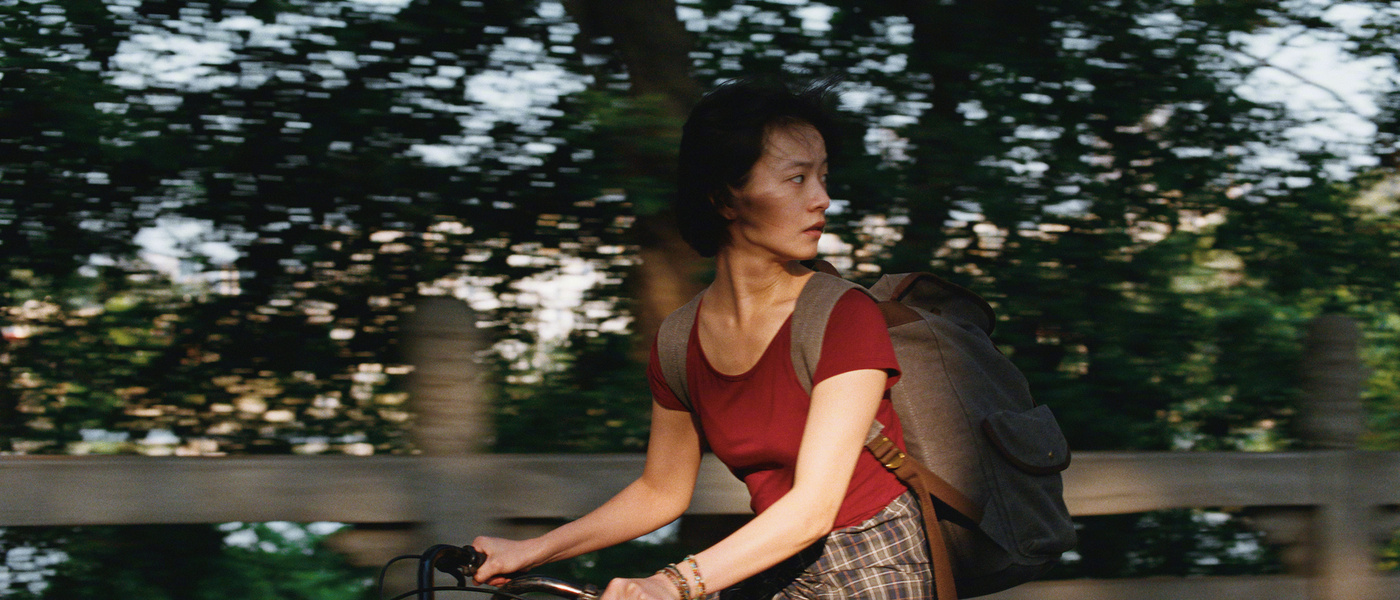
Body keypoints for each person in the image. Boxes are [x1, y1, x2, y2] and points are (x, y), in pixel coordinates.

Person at [471, 77, 930, 600]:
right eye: (797, 178)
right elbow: (660, 491)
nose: (822, 199)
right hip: (777, 556)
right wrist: (530, 551)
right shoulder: (679, 341)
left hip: (874, 562)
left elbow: (813, 509)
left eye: (823, 177)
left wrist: (670, 584)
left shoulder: (843, 316)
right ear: (724, 199)